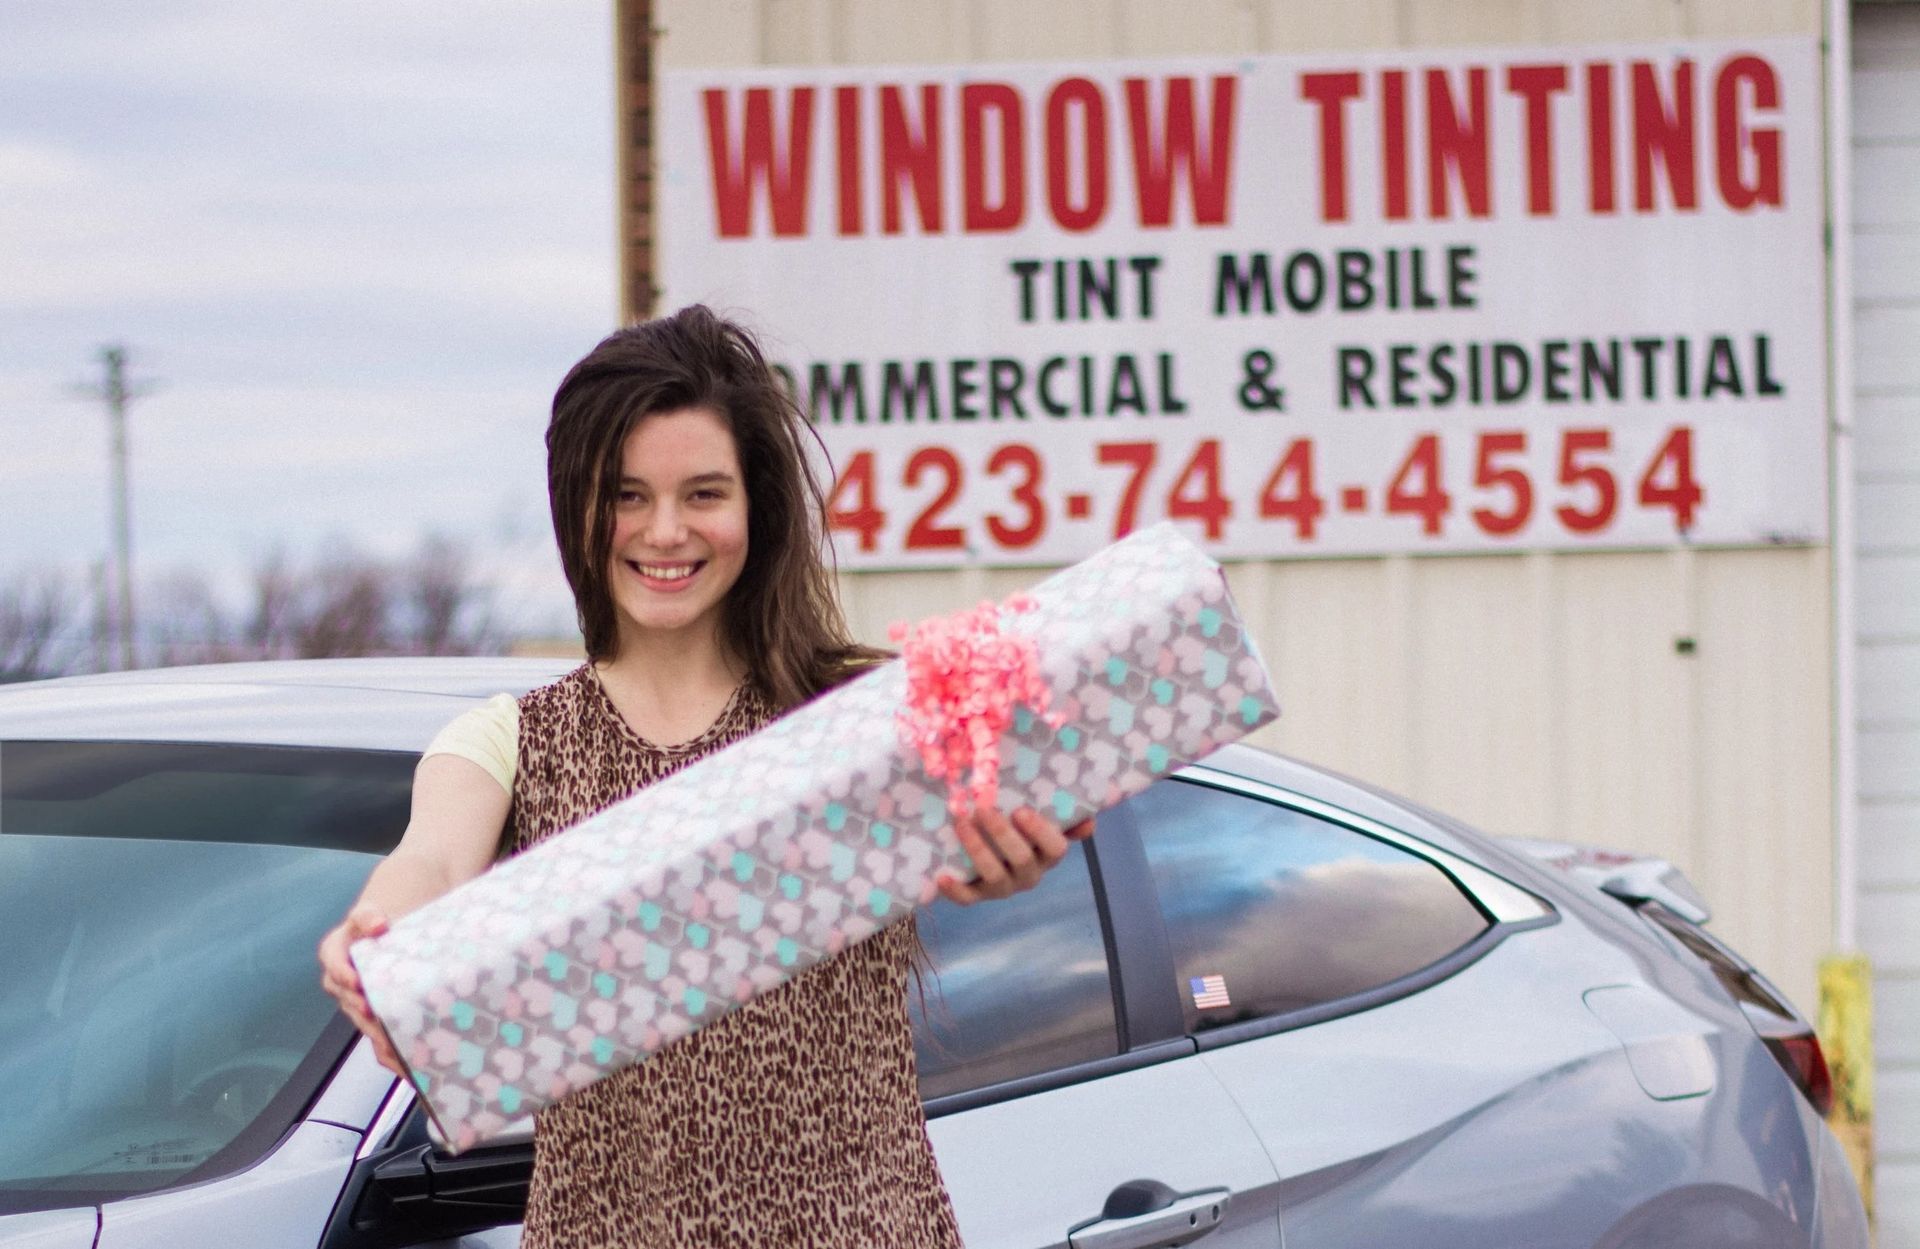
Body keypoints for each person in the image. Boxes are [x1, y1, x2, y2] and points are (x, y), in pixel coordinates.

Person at [316, 304, 1090, 1248]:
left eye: (704, 493)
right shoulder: (512, 739)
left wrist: (1010, 845)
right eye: (628, 493)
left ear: (755, 505)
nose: (666, 531)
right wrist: (378, 934)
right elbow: (432, 857)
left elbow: (1031, 784)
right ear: (576, 503)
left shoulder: (861, 716)